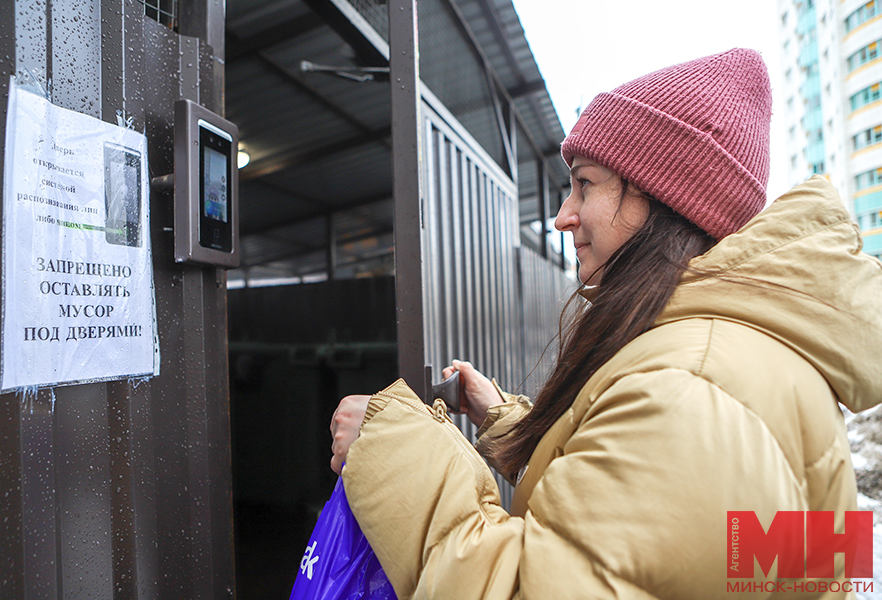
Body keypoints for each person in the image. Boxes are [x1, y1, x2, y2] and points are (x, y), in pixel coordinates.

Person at [329, 48, 882, 599]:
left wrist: (391, 448)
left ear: (664, 196)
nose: (562, 214)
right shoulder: (749, 355)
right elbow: (707, 554)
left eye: (585, 184)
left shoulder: (690, 386)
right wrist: (506, 422)